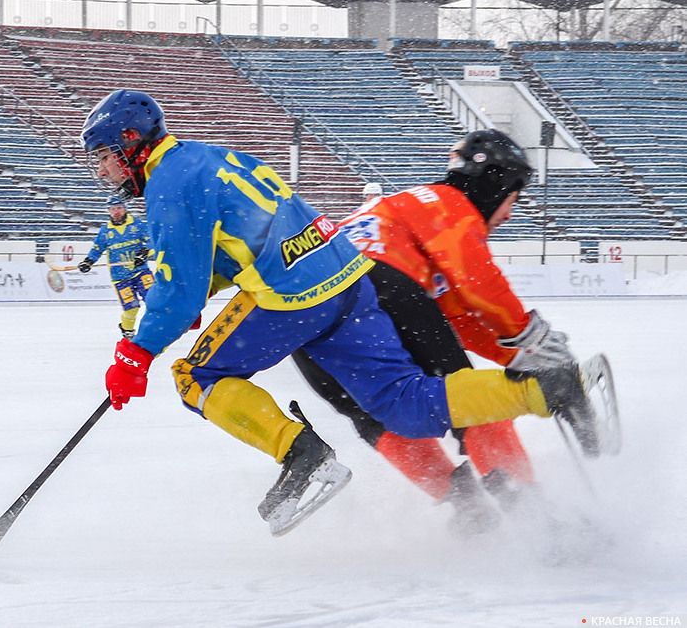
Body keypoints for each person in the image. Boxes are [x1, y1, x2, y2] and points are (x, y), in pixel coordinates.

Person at [80, 89, 583, 536]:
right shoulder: (202, 158)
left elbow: (177, 287)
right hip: (346, 277)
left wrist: (135, 352)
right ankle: (549, 388)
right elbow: (231, 244)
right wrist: (201, 290)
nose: (100, 170)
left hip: (294, 297)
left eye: (104, 155)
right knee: (403, 403)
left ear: (131, 142)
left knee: (195, 375)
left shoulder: (169, 182)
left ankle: (302, 456)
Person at [292, 128, 603, 530]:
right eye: (514, 197)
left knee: (374, 417)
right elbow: (478, 283)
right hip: (380, 285)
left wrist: (518, 355)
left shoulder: (398, 214)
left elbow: (455, 319)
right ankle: (537, 520)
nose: (509, 214)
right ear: (496, 182)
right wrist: (533, 339)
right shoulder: (448, 203)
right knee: (470, 401)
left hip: (305, 310)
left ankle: (467, 507)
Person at [76, 196, 153, 338]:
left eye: (119, 208)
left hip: (140, 271)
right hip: (120, 277)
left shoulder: (137, 224)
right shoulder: (106, 231)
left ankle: (158, 329)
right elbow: (97, 249)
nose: (116, 212)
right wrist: (88, 262)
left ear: (125, 208)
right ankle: (127, 330)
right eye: (112, 209)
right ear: (108, 211)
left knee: (154, 301)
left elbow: (152, 242)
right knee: (132, 308)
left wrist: (144, 253)